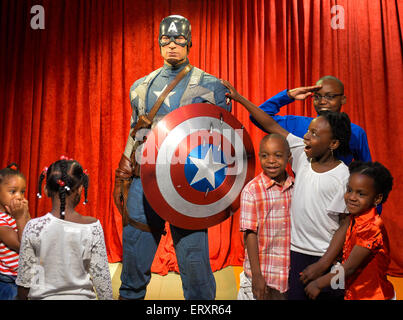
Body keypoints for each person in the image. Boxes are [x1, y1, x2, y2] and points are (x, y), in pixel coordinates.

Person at [113, 15, 230, 300]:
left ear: (189, 41)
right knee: (134, 254)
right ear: (159, 43)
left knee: (194, 259)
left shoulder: (210, 85)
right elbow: (135, 132)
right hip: (144, 181)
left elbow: (223, 138)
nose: (173, 45)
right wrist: (122, 174)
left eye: (179, 39)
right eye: (166, 39)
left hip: (187, 183)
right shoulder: (140, 86)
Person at [222, 79, 351, 300]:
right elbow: (270, 124)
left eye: (314, 134)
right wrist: (239, 98)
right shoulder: (302, 154)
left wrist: (324, 264)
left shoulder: (342, 175)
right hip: (296, 253)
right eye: (308, 132)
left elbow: (345, 223)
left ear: (333, 144)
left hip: (329, 257)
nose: (307, 137)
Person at [16, 158, 113, 300]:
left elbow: (24, 282)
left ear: (46, 189)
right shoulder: (92, 227)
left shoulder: (33, 227)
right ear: (80, 189)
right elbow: (103, 284)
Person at [305, 161, 395, 300]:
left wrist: (318, 283)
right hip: (355, 292)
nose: (352, 197)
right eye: (349, 190)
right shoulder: (355, 218)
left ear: (377, 198)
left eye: (361, 194)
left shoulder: (371, 227)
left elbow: (349, 268)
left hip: (372, 295)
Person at [252, 76, 371, 165]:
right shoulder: (296, 124)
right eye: (317, 97)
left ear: (343, 99)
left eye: (330, 97)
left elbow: (365, 171)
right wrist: (288, 95)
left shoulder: (355, 132)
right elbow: (257, 116)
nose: (323, 101)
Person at [238, 134, 294, 300]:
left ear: (288, 158)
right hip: (260, 273)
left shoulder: (296, 187)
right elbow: (250, 234)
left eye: (278, 155)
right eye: (265, 155)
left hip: (286, 275)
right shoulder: (251, 191)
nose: (271, 160)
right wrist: (257, 276)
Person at [0, 163, 31, 300]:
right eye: (13, 191)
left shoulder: (16, 214)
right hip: (9, 281)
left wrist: (26, 214)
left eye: (22, 191)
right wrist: (21, 217)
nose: (19, 196)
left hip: (25, 275)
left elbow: (32, 234)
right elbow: (23, 246)